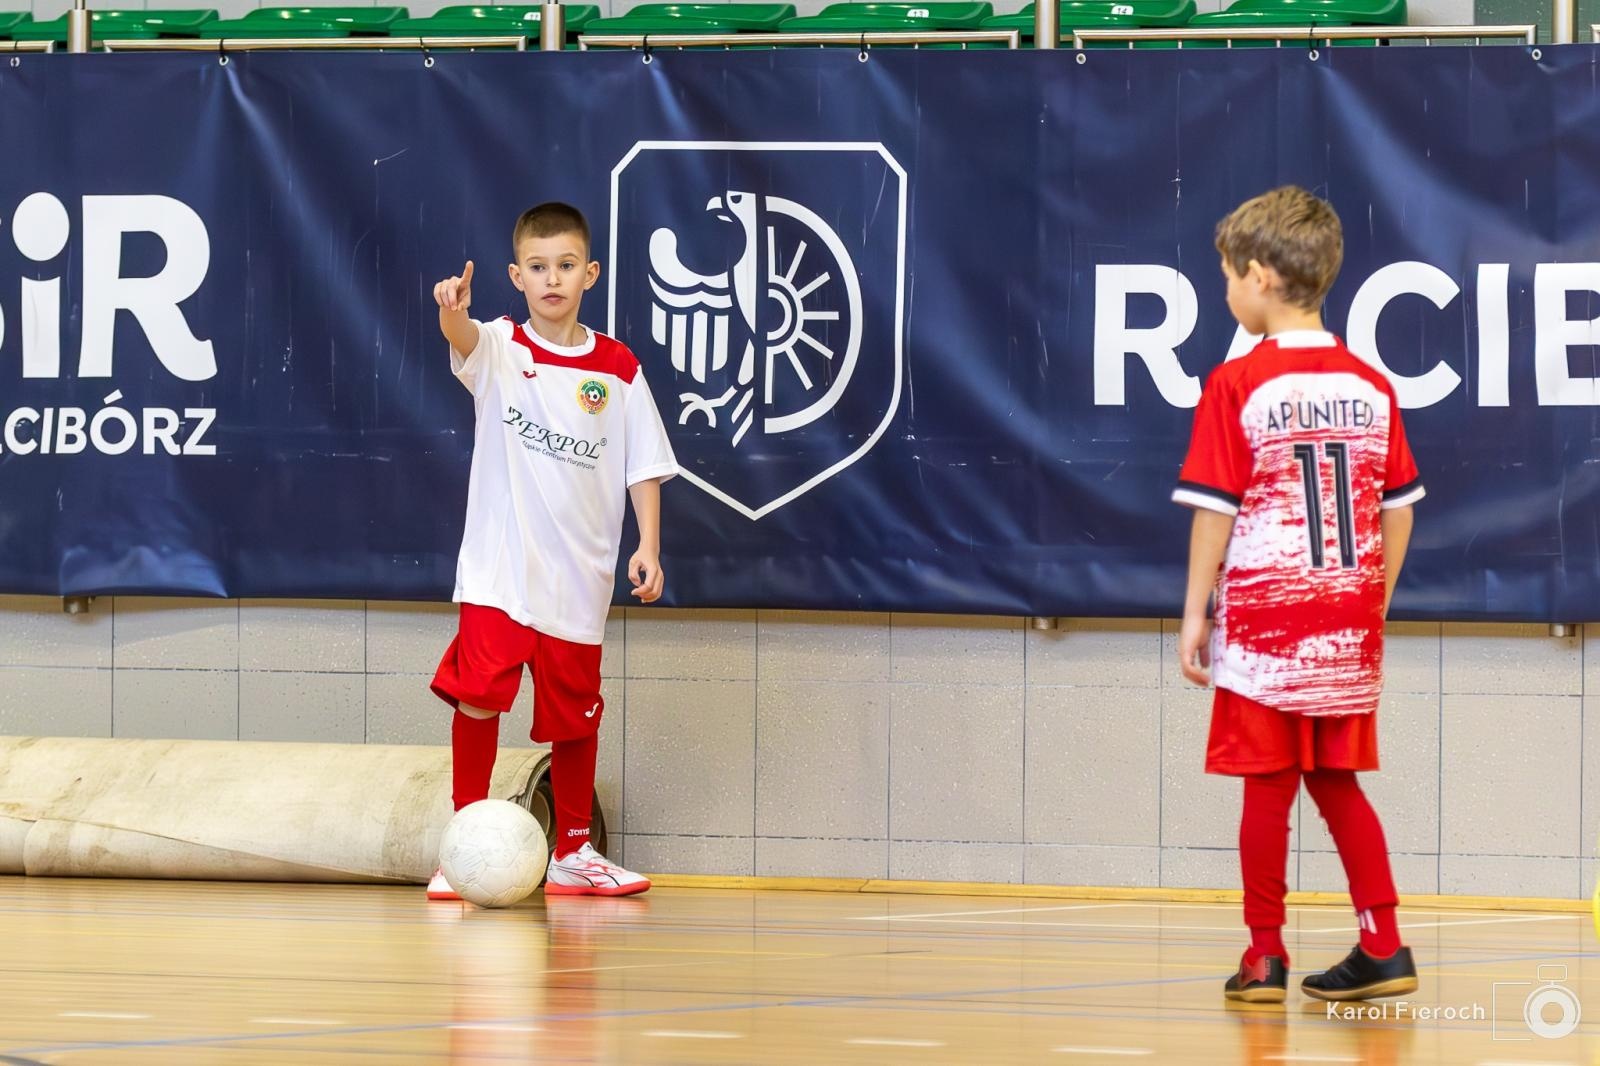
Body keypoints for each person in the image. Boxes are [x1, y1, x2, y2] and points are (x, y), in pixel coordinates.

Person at [1173, 186, 1424, 1003]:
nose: (1223, 292)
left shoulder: (1236, 383)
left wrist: (1194, 613)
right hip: (1348, 616)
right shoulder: (1371, 383)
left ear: (1259, 276)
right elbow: (1401, 508)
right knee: (1338, 782)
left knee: (1267, 786)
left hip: (1268, 620)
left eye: (1225, 277)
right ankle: (1383, 943)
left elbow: (1215, 513)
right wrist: (1371, 601)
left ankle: (1264, 956)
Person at [426, 201, 677, 899]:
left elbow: (643, 466)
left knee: (574, 715)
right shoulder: (502, 348)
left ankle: (573, 852)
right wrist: (452, 308)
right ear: (517, 276)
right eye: (538, 268)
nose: (552, 279)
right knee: (479, 697)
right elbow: (462, 337)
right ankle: (461, 846)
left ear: (589, 273)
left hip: (580, 579)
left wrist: (648, 546)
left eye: (566, 266)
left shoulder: (618, 369)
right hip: (501, 573)